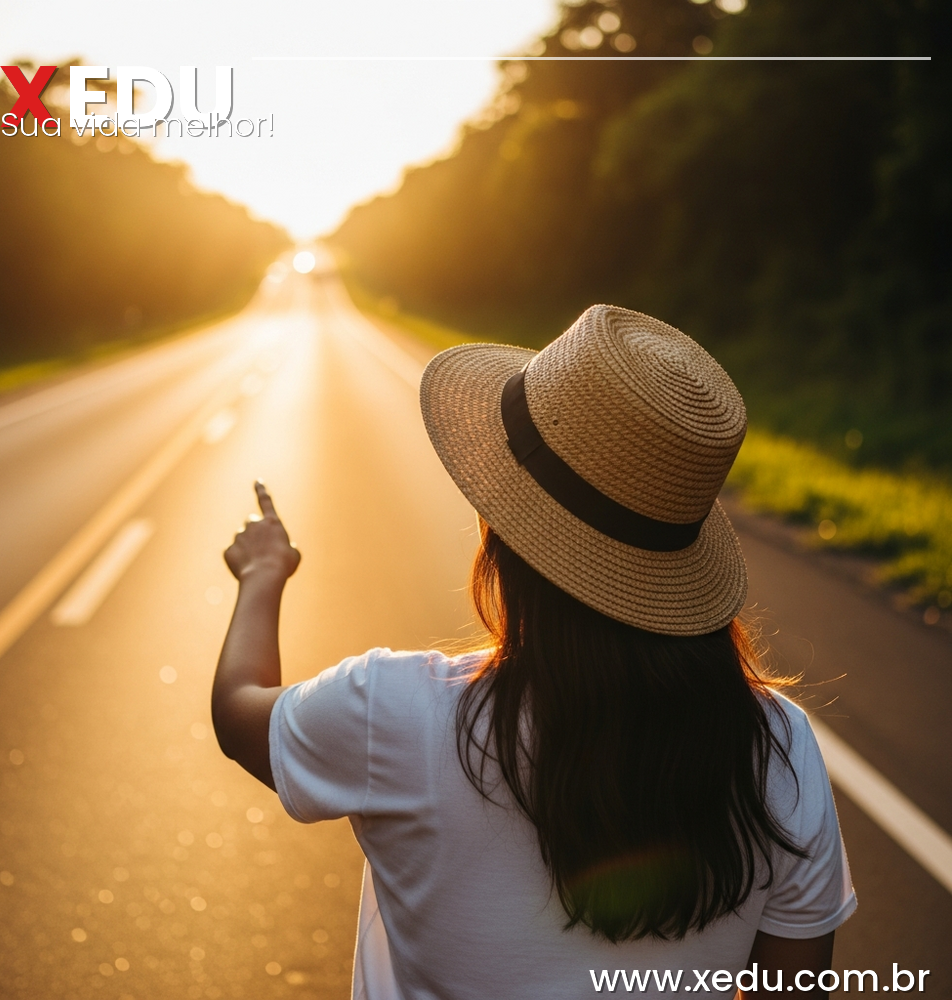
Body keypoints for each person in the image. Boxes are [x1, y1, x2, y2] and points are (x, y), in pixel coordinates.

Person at [211, 305, 856, 999]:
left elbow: (239, 713)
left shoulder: (397, 714)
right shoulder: (778, 746)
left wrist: (262, 576)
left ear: (503, 536)